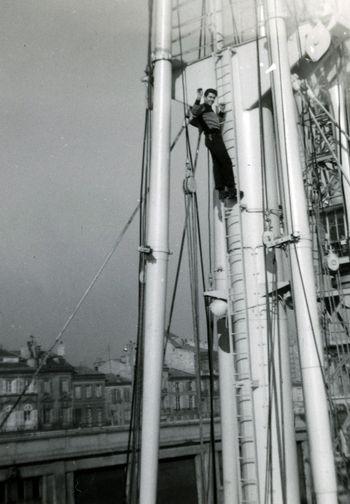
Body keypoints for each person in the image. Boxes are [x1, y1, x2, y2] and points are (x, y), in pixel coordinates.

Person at [190, 88, 242, 200]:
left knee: (218, 164)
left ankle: (222, 191)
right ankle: (231, 189)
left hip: (214, 137)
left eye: (213, 98)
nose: (212, 99)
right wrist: (198, 98)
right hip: (212, 137)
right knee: (226, 161)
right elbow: (194, 111)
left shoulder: (209, 110)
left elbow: (216, 122)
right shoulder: (203, 107)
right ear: (205, 97)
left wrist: (222, 111)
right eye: (210, 97)